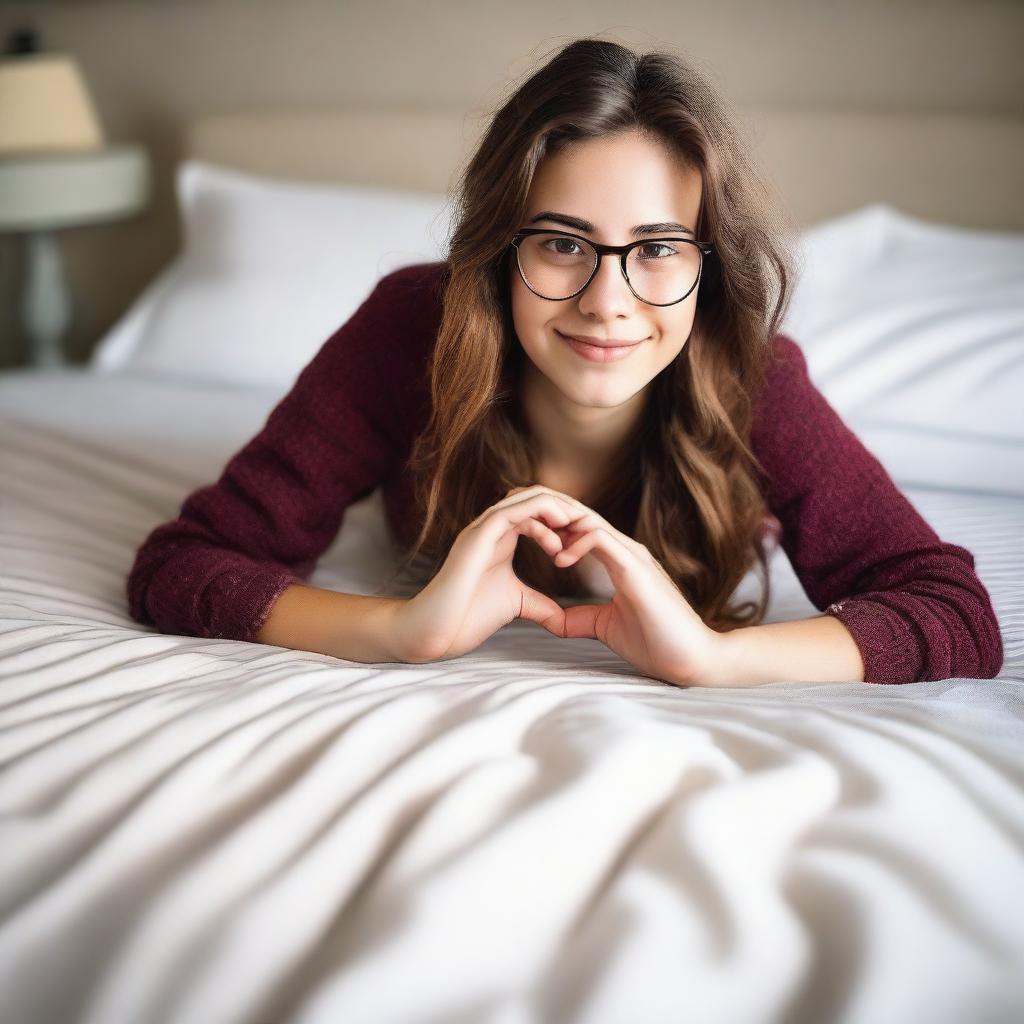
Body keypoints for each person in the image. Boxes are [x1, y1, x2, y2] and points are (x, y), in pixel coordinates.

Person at [126, 38, 1003, 687]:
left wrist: (713, 659)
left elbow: (953, 613)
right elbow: (185, 564)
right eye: (560, 243)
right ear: (501, 252)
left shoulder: (753, 375)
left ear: (710, 265)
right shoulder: (411, 330)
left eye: (658, 248)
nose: (607, 301)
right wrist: (400, 629)